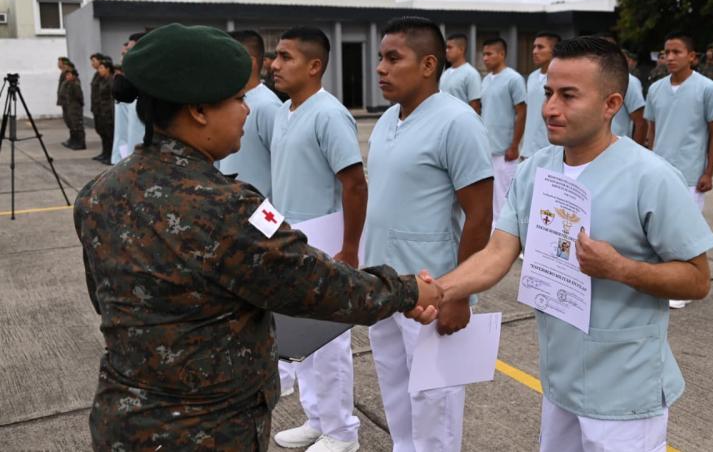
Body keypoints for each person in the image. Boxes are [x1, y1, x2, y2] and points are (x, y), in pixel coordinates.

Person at [73, 23, 441, 451]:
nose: (247, 111)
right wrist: (409, 290)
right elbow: (320, 286)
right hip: (207, 431)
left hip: (121, 423)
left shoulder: (97, 194)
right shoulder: (225, 207)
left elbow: (105, 300)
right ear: (198, 110)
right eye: (237, 99)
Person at [426, 36, 713, 452]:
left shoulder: (650, 177)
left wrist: (620, 268)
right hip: (559, 380)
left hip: (624, 389)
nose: (549, 108)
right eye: (548, 93)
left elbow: (697, 279)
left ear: (611, 104)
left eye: (568, 95)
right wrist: (439, 290)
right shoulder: (536, 170)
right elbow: (498, 252)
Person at [367, 16, 493, 452]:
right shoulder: (387, 119)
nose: (380, 67)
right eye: (380, 57)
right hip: (383, 283)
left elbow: (480, 214)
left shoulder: (457, 122)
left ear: (427, 65)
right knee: (395, 392)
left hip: (432, 289)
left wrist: (459, 293)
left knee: (434, 404)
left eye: (393, 58)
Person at [269, 27, 368, 452]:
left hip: (325, 241)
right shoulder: (284, 111)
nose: (274, 65)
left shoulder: (329, 114)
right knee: (300, 338)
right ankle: (317, 419)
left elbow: (355, 183)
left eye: (285, 57)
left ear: (314, 66)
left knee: (328, 342)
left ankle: (343, 432)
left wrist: (350, 248)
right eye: (275, 56)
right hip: (291, 240)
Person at [645, 32, 713, 310]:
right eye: (666, 52)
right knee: (658, 230)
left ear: (692, 56)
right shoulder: (656, 89)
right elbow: (652, 129)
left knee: (686, 233)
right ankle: (664, 281)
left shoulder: (707, 88)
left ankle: (685, 286)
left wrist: (708, 172)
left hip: (691, 172)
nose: (670, 57)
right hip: (659, 170)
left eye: (677, 52)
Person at [218, 30, 282, 199]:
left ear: (249, 62)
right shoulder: (224, 101)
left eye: (227, 57)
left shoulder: (268, 106)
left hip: (259, 210)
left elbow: (284, 168)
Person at [480, 37, 527, 221]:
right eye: (483, 54)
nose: (485, 58)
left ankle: (504, 235)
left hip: (505, 151)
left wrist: (514, 145)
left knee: (504, 199)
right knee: (489, 197)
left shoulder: (514, 79)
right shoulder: (486, 80)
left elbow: (521, 112)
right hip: (487, 149)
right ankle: (492, 234)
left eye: (489, 54)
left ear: (501, 54)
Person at [520, 32, 560, 159]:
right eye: (534, 47)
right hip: (527, 151)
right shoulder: (532, 77)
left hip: (549, 151)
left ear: (554, 50)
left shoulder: (560, 78)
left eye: (540, 47)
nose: (534, 51)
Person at [111, 32, 146, 164]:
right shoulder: (126, 85)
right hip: (130, 160)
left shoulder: (152, 86)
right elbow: (122, 132)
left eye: (129, 51)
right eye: (124, 53)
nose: (123, 57)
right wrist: (118, 159)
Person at [440, 33, 481, 113]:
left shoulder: (471, 74)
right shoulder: (445, 73)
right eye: (446, 48)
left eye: (450, 47)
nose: (446, 51)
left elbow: (475, 106)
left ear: (461, 49)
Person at [91, 59, 115, 164]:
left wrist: (110, 112)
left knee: (110, 135)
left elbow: (111, 98)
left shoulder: (111, 80)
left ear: (108, 69)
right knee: (104, 134)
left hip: (108, 112)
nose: (99, 70)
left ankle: (111, 156)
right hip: (101, 111)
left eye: (101, 68)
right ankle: (105, 153)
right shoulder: (102, 80)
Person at [59, 66, 86, 150]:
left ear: (74, 75)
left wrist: (78, 105)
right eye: (66, 75)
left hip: (75, 107)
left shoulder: (75, 84)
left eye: (69, 75)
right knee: (71, 125)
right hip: (68, 107)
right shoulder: (66, 83)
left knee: (77, 125)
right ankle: (74, 141)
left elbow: (79, 96)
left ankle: (81, 143)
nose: (67, 77)